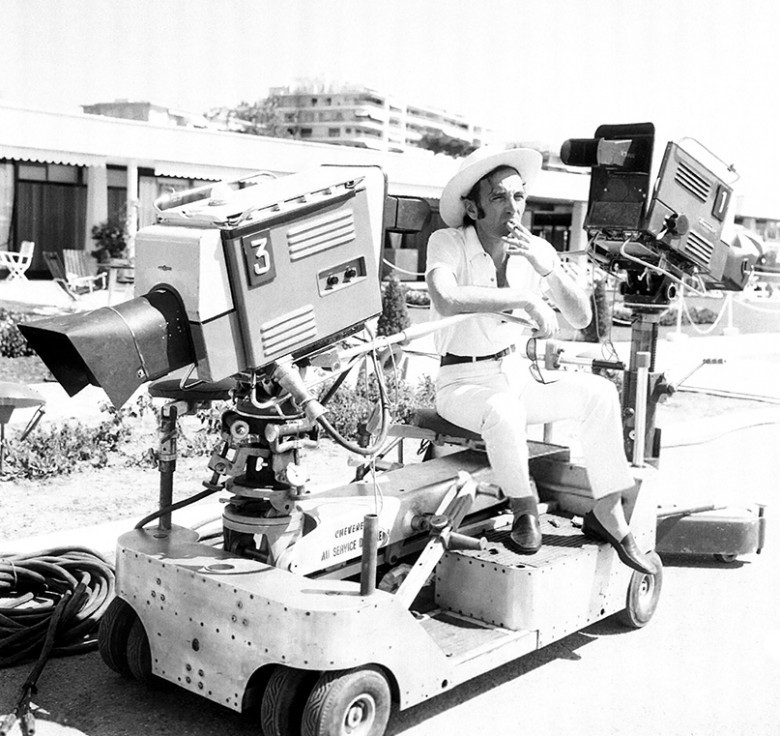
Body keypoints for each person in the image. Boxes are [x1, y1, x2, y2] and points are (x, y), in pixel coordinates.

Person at [425, 146, 658, 575]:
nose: (513, 207)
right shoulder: (448, 242)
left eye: (519, 196)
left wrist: (549, 269)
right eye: (499, 197)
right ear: (473, 208)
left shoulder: (533, 250)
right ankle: (524, 508)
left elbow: (582, 318)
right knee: (504, 411)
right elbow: (445, 297)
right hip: (460, 380)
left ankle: (607, 510)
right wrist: (525, 298)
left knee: (600, 393)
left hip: (514, 372)